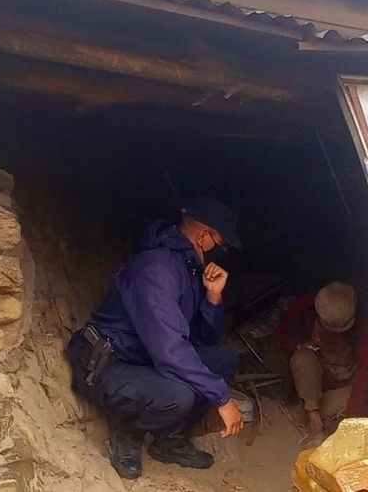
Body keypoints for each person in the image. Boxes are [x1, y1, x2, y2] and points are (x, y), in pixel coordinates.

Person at [68, 197, 245, 480]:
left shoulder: (188, 270)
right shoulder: (157, 269)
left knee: (223, 359)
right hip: (105, 366)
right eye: (221, 244)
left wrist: (213, 298)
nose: (221, 252)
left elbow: (203, 340)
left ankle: (169, 441)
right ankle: (128, 433)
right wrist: (223, 398)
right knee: (178, 395)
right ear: (203, 237)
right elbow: (170, 352)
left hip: (141, 358)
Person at [275, 281, 368, 447]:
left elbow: (366, 371)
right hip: (318, 376)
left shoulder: (364, 325)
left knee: (363, 398)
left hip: (346, 381)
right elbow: (283, 332)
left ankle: (326, 415)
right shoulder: (305, 306)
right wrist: (298, 343)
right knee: (302, 358)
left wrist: (352, 418)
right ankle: (314, 421)